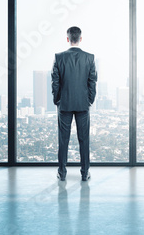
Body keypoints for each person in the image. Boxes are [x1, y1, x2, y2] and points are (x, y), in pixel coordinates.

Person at [51, 26, 97, 181]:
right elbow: (92, 82)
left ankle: (62, 173)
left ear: (67, 38)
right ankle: (85, 173)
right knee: (84, 140)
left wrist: (57, 100)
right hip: (83, 104)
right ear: (81, 39)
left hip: (64, 104)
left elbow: (55, 82)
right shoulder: (89, 58)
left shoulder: (59, 57)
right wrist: (89, 99)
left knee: (63, 140)